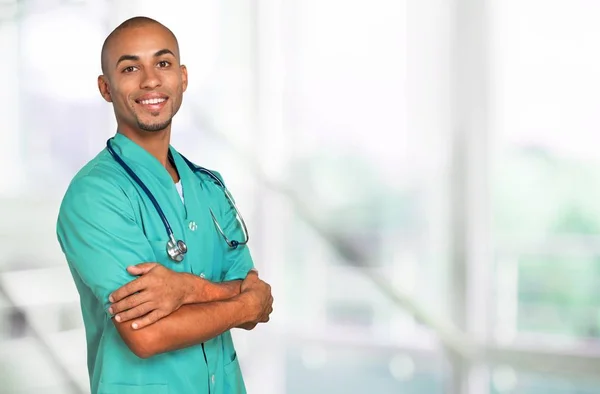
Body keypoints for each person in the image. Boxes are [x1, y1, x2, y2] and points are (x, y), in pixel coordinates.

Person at [56, 16, 273, 394]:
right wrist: (241, 304)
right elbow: (147, 335)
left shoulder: (209, 186)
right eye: (130, 68)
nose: (150, 80)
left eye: (162, 63)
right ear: (106, 88)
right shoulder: (94, 195)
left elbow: (256, 299)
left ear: (182, 78)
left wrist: (186, 291)